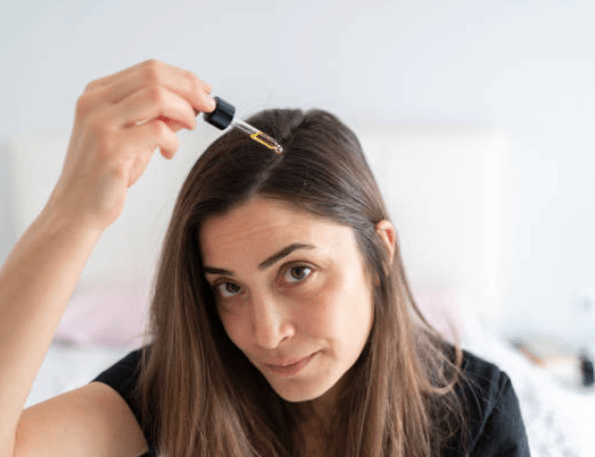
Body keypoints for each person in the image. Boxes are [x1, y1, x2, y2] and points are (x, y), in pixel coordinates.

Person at [0, 59, 530, 457]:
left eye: (298, 272)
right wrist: (73, 213)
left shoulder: (476, 411)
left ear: (379, 255)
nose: (266, 333)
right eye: (229, 287)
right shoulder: (177, 384)